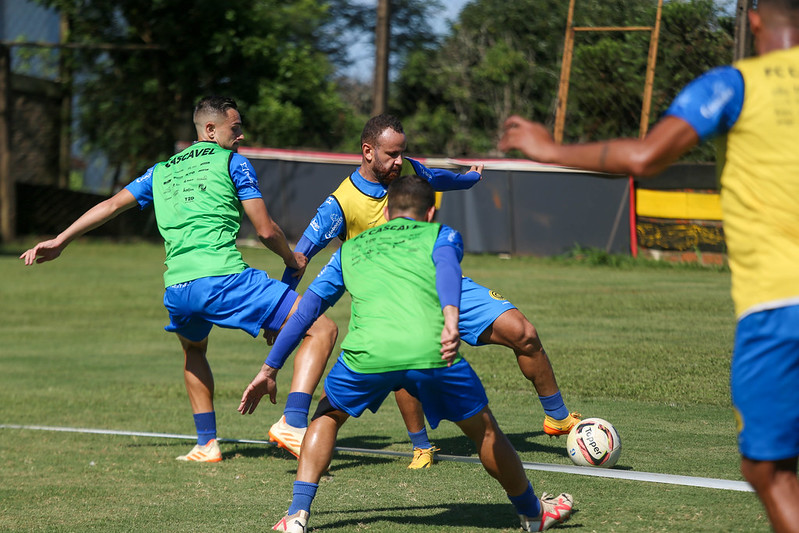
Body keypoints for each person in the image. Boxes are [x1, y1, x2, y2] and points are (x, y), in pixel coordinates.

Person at [498, 1, 799, 530]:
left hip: (780, 307)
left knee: (769, 468)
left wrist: (548, 149)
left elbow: (643, 158)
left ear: (752, 17)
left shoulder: (733, 84)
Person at [239, 175, 574, 532]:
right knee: (485, 432)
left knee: (326, 416)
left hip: (365, 357)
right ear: (430, 212)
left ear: (385, 212)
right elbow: (447, 269)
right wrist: (450, 315)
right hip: (429, 352)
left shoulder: (350, 250)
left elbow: (307, 311)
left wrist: (269, 368)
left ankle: (296, 517)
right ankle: (534, 514)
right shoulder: (441, 234)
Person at [20, 96, 337, 463]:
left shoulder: (160, 170)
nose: (241, 135)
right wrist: (291, 257)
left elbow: (109, 206)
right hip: (223, 280)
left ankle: (206, 444)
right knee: (322, 328)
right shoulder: (233, 162)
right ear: (210, 129)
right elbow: (266, 231)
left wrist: (61, 240)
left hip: (178, 290)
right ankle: (293, 423)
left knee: (194, 351)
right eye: (235, 128)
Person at [270, 113, 580, 469]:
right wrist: (278, 311)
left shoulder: (408, 171)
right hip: (391, 301)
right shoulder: (339, 204)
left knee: (523, 332)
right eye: (391, 155)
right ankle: (420, 446)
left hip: (444, 283)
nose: (400, 162)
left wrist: (470, 179)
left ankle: (557, 418)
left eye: (403, 153)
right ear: (367, 151)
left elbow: (437, 178)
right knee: (403, 359)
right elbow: (299, 260)